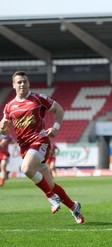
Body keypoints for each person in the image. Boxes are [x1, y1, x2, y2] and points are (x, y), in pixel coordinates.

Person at [0, 71, 84, 224]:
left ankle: (51, 197)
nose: (22, 84)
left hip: (40, 141)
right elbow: (4, 130)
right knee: (50, 184)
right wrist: (2, 128)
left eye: (24, 81)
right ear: (13, 85)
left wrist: (56, 127)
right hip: (24, 147)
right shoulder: (9, 106)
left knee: (26, 169)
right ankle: (74, 206)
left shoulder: (38, 98)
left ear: (29, 83)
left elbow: (59, 109)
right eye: (19, 82)